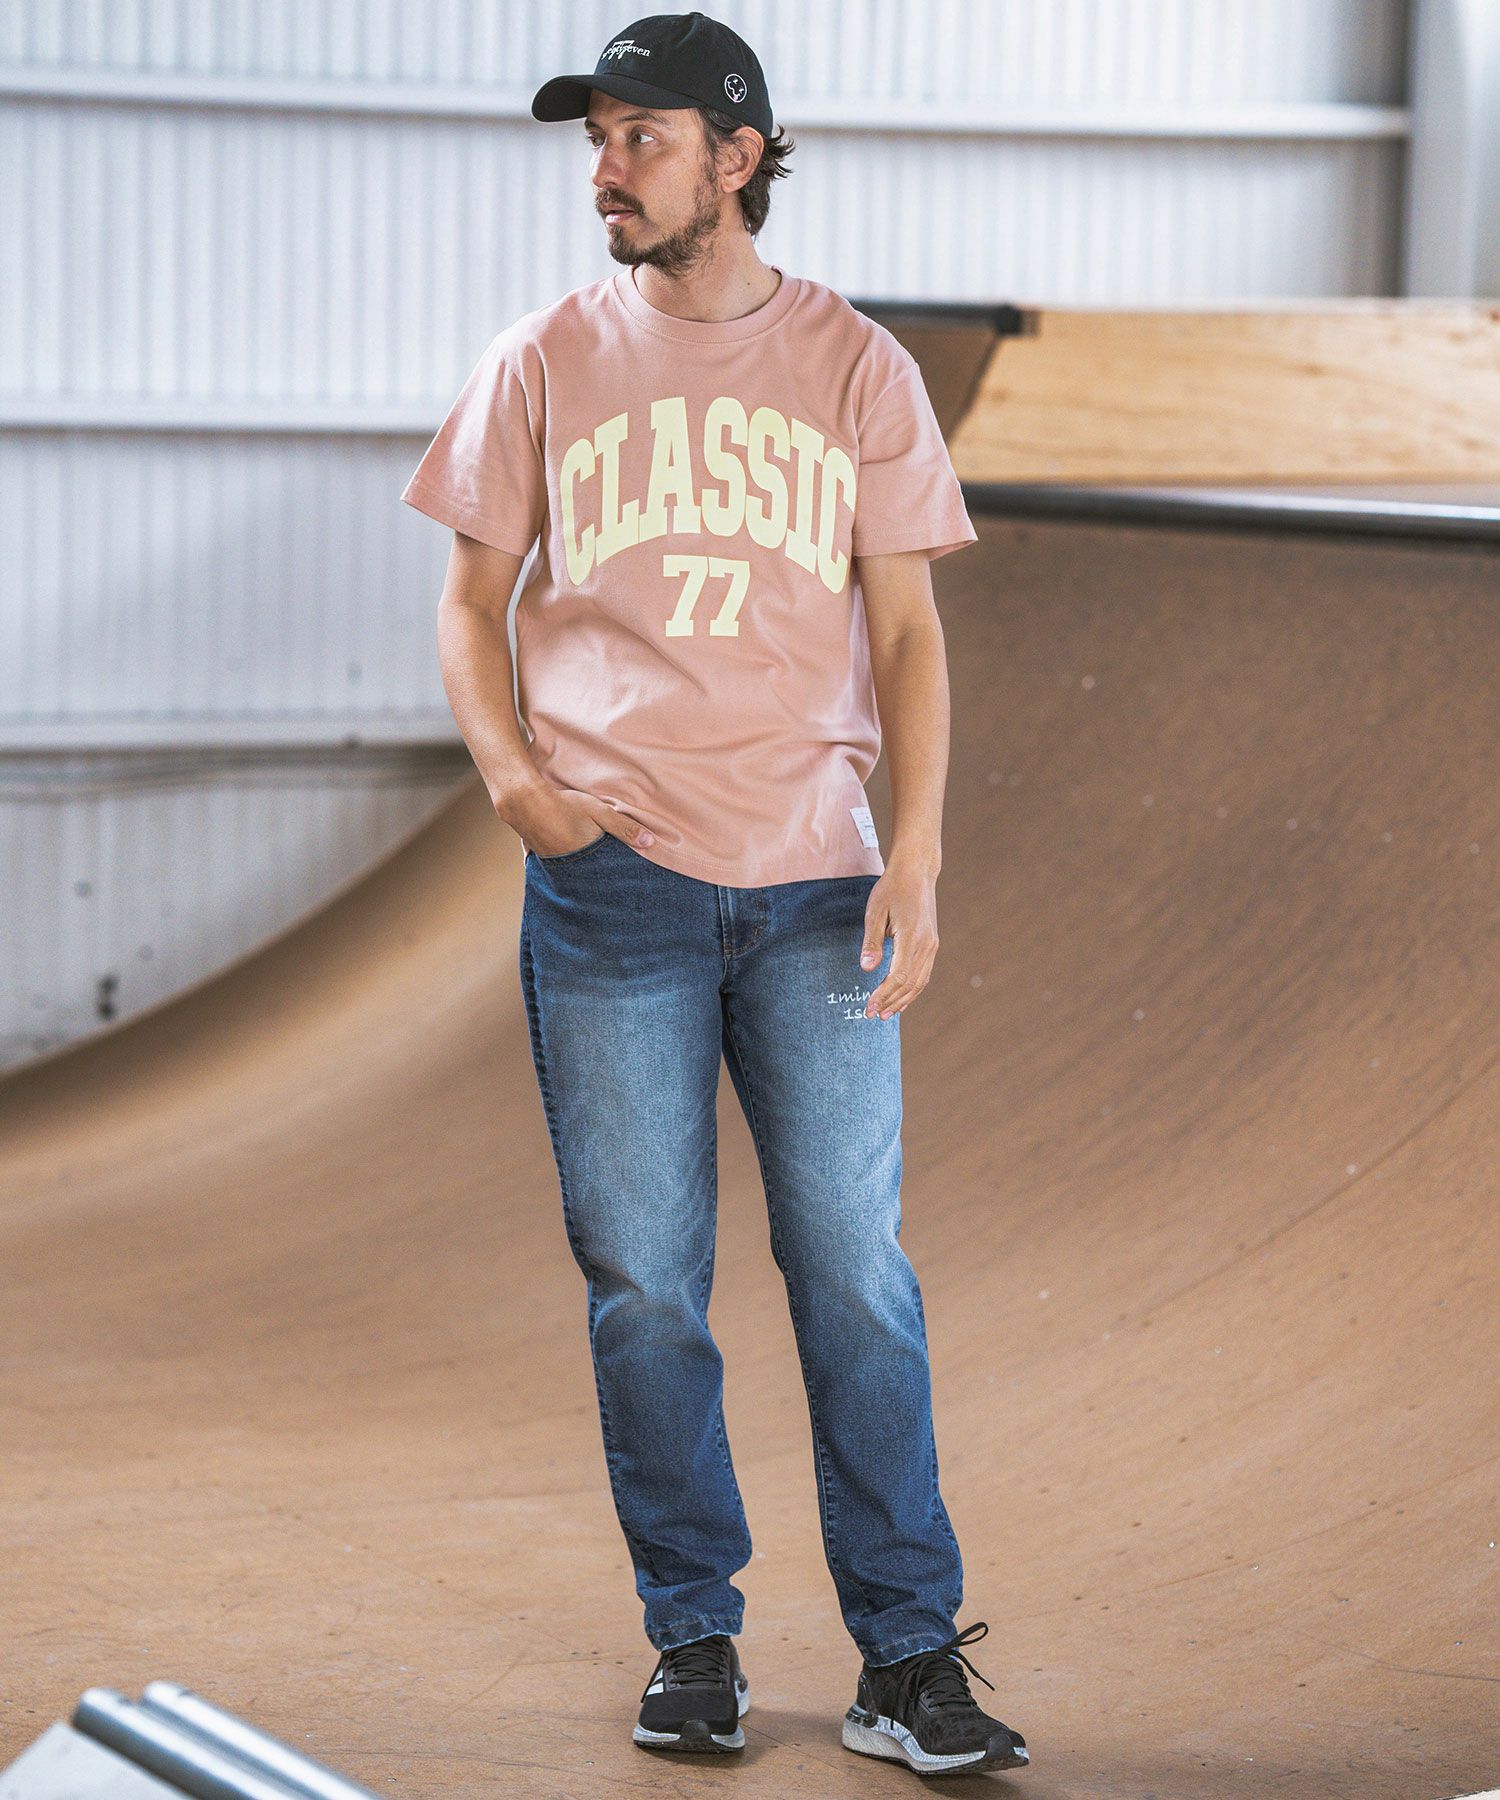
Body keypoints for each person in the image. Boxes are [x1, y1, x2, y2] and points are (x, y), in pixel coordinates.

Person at [400, 10, 1029, 1779]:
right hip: (614, 893)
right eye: (596, 140)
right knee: (646, 1288)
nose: (606, 171)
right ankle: (696, 1639)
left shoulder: (856, 367)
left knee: (855, 1274)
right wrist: (518, 785)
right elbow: (469, 604)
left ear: (737, 157)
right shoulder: (543, 360)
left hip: (820, 882)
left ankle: (909, 1655)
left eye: (642, 138)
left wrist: (917, 851)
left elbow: (909, 633)